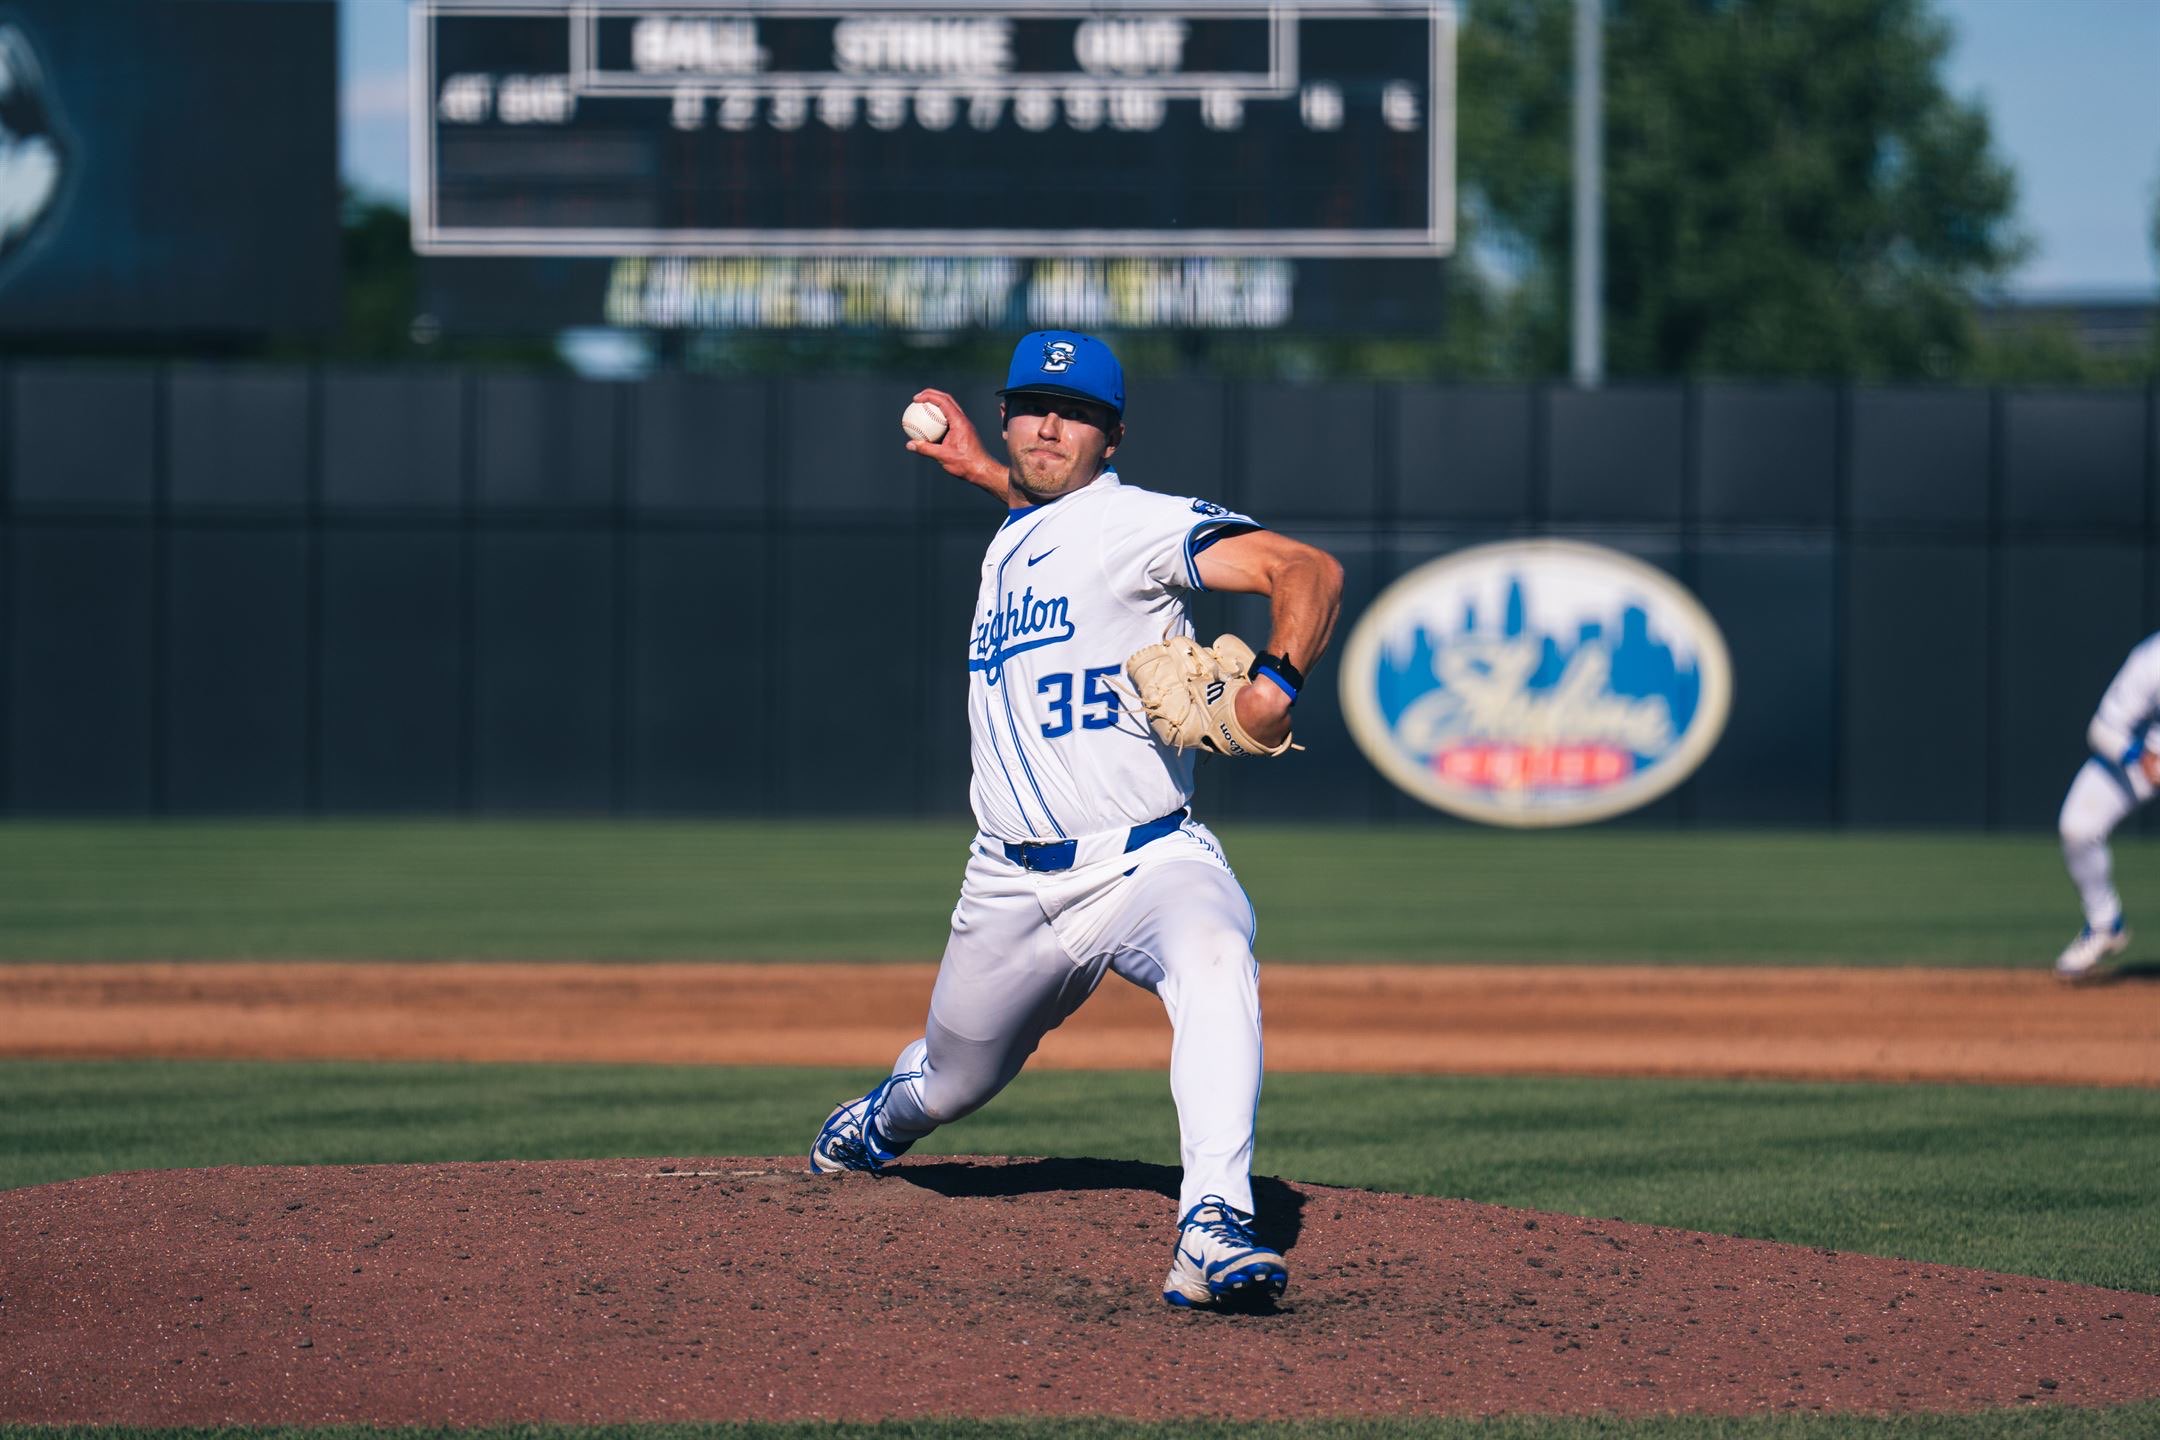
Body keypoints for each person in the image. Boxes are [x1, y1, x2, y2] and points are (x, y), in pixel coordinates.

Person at [806, 330, 1343, 1310]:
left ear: (1113, 436)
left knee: (1216, 954)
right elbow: (1044, 511)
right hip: (1007, 885)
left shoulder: (1136, 522)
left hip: (1146, 862)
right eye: (1034, 408)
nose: (1051, 427)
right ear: (1008, 417)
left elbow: (1306, 569)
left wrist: (1274, 686)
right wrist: (980, 469)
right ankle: (884, 1119)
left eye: (1079, 414)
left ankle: (1213, 1223)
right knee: (951, 1084)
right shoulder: (1023, 527)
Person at [2055, 633, 2160, 981]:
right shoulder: (2152, 660)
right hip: (2148, 757)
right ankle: (2105, 923)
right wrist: (2139, 757)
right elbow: (2101, 729)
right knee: (2078, 827)